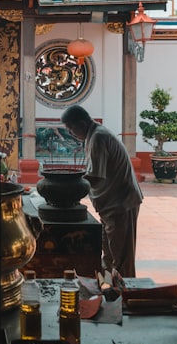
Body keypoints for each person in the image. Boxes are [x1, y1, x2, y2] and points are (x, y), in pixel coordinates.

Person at [61, 105, 143, 277]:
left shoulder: (98, 137)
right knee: (110, 256)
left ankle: (124, 296)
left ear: (82, 123)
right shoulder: (93, 135)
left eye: (70, 128)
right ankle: (109, 292)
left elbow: (96, 176)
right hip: (111, 205)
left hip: (121, 203)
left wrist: (69, 188)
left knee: (121, 259)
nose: (70, 133)